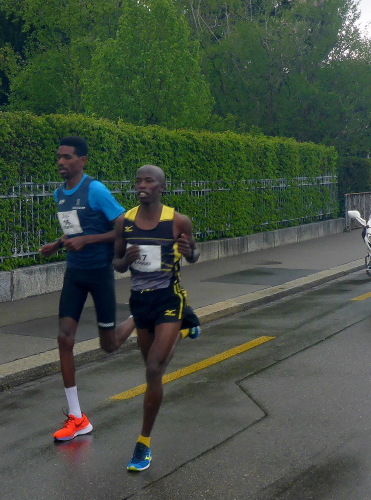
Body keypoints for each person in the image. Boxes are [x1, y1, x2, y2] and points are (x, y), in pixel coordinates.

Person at [39, 136, 136, 442]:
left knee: (109, 345)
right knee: (64, 338)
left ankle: (141, 315)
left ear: (82, 161)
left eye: (67, 157)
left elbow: (123, 225)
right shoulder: (59, 194)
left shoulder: (95, 190)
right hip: (75, 274)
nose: (61, 162)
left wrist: (88, 241)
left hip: (99, 274)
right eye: (59, 157)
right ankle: (77, 417)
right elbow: (74, 230)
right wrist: (57, 245)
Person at [113, 164, 203, 471]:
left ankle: (143, 444)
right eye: (138, 181)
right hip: (140, 302)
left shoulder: (177, 221)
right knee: (153, 366)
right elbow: (116, 263)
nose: (142, 185)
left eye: (148, 181)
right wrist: (124, 260)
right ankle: (186, 329)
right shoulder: (124, 221)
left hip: (168, 298)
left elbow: (194, 254)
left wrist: (189, 252)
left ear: (161, 187)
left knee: (153, 368)